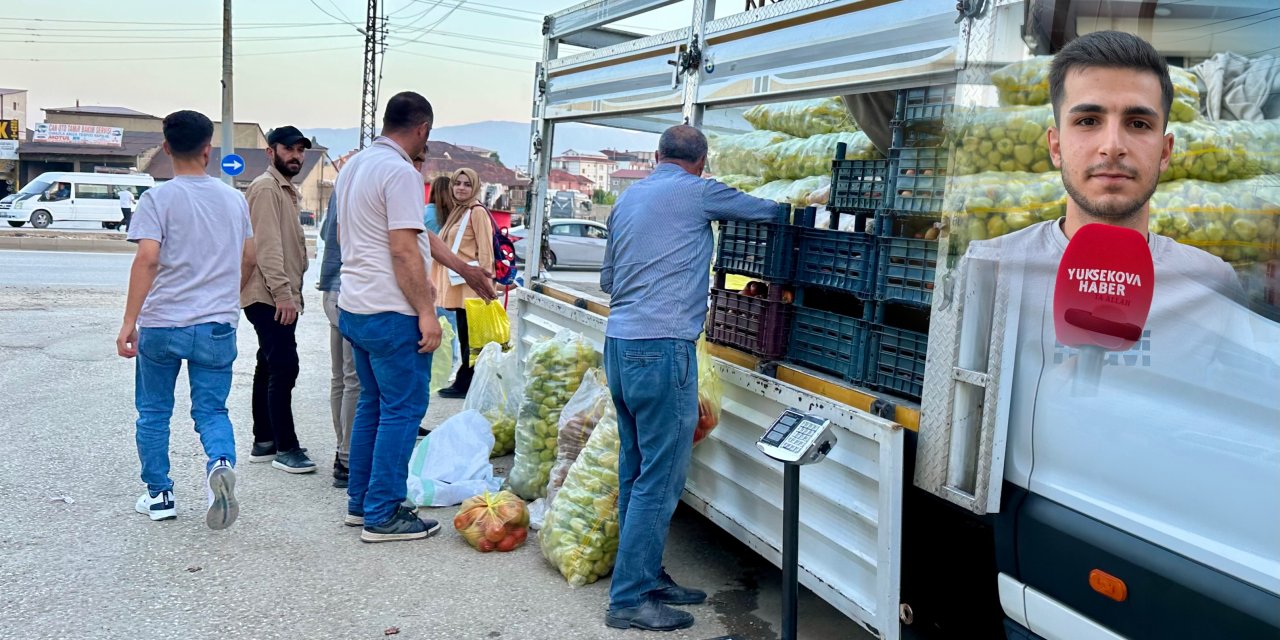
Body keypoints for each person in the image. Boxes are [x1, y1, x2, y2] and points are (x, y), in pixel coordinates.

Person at [599, 125, 782, 631]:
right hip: (662, 351)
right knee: (660, 478)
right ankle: (629, 599)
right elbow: (769, 211)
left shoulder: (628, 198)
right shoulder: (700, 191)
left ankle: (644, 575)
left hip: (620, 346)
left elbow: (608, 280)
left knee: (636, 470)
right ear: (703, 161)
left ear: (657, 155)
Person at [115, 109, 253, 531]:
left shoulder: (158, 198)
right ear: (208, 150)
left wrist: (128, 322)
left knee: (154, 411)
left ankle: (159, 495)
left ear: (167, 147)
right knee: (212, 409)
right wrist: (226, 297)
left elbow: (148, 258)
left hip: (163, 323)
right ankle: (220, 465)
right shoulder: (234, 199)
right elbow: (249, 258)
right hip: (216, 325)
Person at [335, 91, 443, 543]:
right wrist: (426, 313)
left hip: (355, 307)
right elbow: (403, 249)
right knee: (402, 411)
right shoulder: (399, 173)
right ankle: (383, 514)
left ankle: (361, 504)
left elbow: (405, 238)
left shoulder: (355, 165)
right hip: (391, 311)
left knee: (373, 407)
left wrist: (464, 270)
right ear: (421, 129)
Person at [241, 125, 316, 474]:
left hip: (279, 294)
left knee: (269, 364)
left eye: (301, 150)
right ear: (271, 152)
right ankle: (286, 446)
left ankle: (264, 440)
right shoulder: (266, 189)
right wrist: (284, 295)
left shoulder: (285, 190)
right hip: (269, 295)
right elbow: (266, 247)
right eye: (289, 149)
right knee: (285, 366)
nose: (296, 156)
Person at [432, 168, 495, 399]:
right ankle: (465, 380)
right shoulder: (458, 211)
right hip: (459, 283)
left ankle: (465, 381)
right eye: (457, 183)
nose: (461, 188)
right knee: (465, 335)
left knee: (472, 337)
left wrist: (488, 284)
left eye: (467, 184)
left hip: (471, 285)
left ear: (475, 187)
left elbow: (486, 250)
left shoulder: (476, 212)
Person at [318, 156, 359, 488]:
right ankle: (346, 458)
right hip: (351, 289)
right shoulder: (366, 187)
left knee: (340, 377)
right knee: (353, 378)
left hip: (331, 285)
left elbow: (324, 231)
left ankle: (342, 448)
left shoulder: (341, 185)